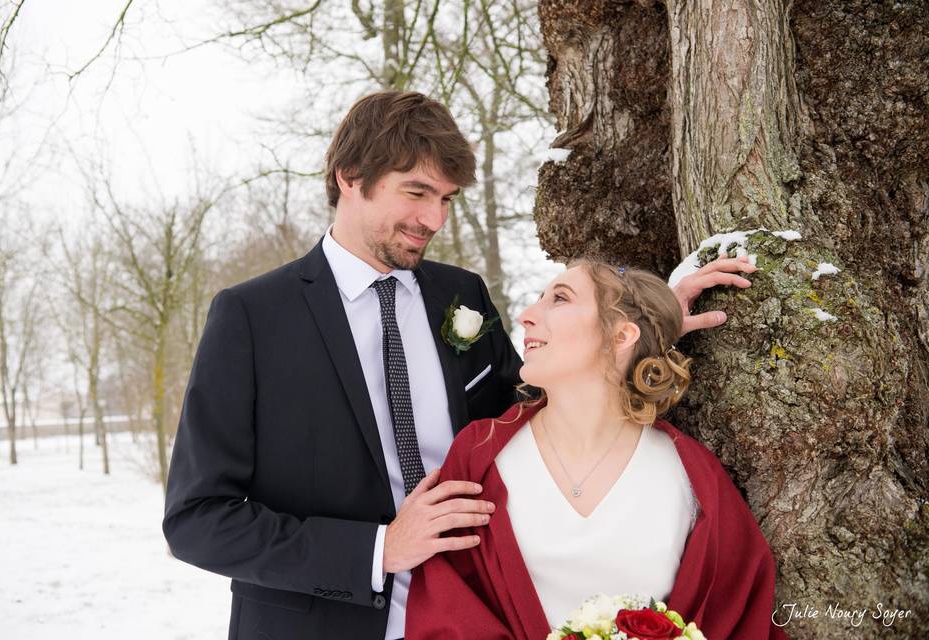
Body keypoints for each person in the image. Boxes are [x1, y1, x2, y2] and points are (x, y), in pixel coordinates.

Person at [162, 90, 757, 640]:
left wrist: (644, 327)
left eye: (445, 199)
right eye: (416, 192)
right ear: (350, 178)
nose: (434, 220)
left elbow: (538, 412)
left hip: (473, 617)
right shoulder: (251, 317)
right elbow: (197, 518)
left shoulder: (461, 296)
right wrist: (379, 549)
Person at [405, 261, 785, 640]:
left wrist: (660, 315)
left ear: (621, 336)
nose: (525, 317)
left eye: (559, 299)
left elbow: (739, 615)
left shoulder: (692, 474)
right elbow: (445, 607)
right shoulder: (480, 454)